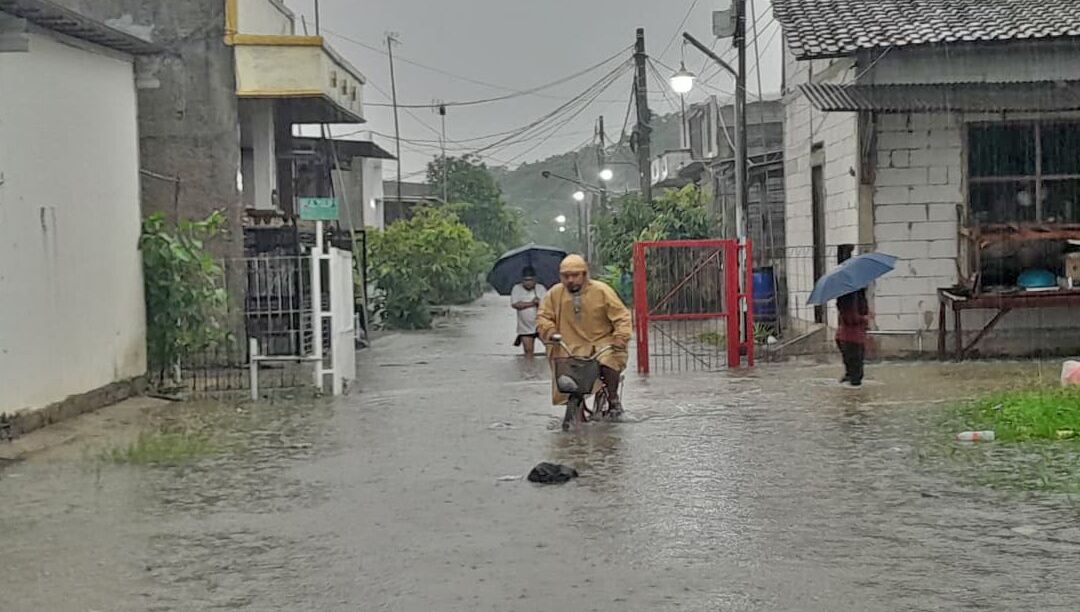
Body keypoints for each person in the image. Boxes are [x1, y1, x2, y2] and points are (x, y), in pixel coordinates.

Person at [537, 254, 632, 414]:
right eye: (566, 276)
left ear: (585, 274)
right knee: (565, 372)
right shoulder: (554, 293)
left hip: (601, 343)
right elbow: (543, 316)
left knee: (609, 362)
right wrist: (550, 331)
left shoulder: (602, 291)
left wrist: (620, 337)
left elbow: (622, 317)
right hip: (568, 345)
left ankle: (613, 399)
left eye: (575, 275)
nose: (571, 280)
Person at [836, 289, 870, 386]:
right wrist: (865, 318)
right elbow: (851, 318)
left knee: (850, 373)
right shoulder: (852, 296)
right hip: (853, 339)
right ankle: (856, 399)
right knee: (856, 376)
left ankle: (848, 397)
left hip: (844, 337)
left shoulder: (843, 295)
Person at [510, 267, 547, 356]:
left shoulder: (541, 288)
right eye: (526, 280)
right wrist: (531, 303)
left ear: (535, 279)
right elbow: (515, 304)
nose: (528, 282)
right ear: (522, 280)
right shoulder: (516, 288)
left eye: (530, 280)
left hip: (541, 325)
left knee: (551, 347)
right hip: (525, 328)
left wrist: (539, 303)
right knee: (528, 351)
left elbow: (548, 306)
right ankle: (528, 369)